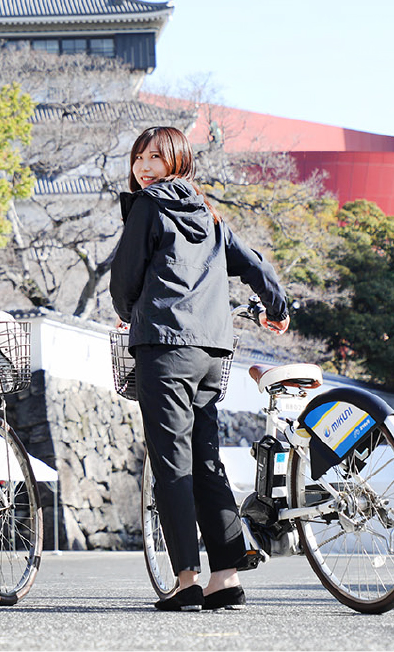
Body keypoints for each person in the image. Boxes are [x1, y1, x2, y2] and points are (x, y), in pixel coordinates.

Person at [109, 126, 289, 612]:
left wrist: (126, 308)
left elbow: (125, 273)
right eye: (139, 158)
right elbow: (251, 262)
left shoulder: (150, 206)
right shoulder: (209, 213)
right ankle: (224, 577)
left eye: (154, 158)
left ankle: (187, 578)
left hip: (165, 345)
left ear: (177, 161)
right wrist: (276, 305)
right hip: (213, 349)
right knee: (206, 461)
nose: (143, 167)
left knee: (173, 464)